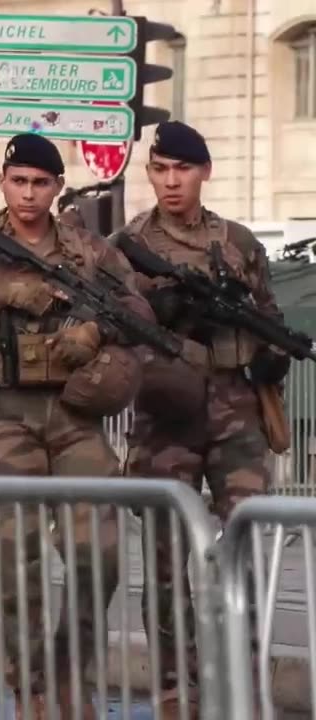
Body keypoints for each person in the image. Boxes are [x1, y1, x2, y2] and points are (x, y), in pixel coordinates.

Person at [0, 134, 155, 718]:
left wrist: (94, 332)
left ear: (57, 188)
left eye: (41, 183)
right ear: (3, 182)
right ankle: (31, 691)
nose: (29, 193)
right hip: (7, 417)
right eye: (19, 181)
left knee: (98, 555)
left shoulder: (88, 250)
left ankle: (68, 675)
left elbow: (139, 314)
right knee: (17, 562)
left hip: (76, 415)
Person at [119, 121, 287, 719]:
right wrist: (161, 317)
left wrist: (270, 355)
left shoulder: (238, 243)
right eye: (160, 169)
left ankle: (241, 681)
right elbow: (110, 336)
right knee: (166, 564)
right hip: (166, 418)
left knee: (246, 544)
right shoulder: (127, 246)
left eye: (182, 169)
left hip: (235, 414)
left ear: (204, 171)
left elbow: (265, 313)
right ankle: (174, 690)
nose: (171, 181)